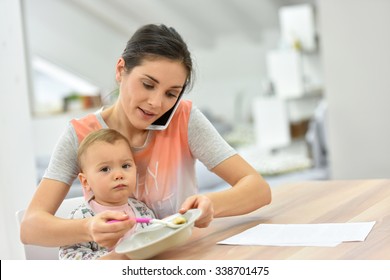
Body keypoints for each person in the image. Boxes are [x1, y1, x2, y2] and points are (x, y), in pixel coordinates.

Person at [21, 23, 271, 259]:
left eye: (171, 93)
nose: (156, 103)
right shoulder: (79, 134)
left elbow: (258, 189)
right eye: (148, 84)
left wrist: (210, 204)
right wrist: (88, 228)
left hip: (184, 258)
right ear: (121, 70)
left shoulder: (184, 118)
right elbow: (31, 227)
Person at [59, 129, 155, 260]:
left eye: (126, 166)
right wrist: (111, 258)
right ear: (85, 182)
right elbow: (68, 257)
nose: (119, 175)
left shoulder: (143, 211)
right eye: (105, 169)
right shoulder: (81, 217)